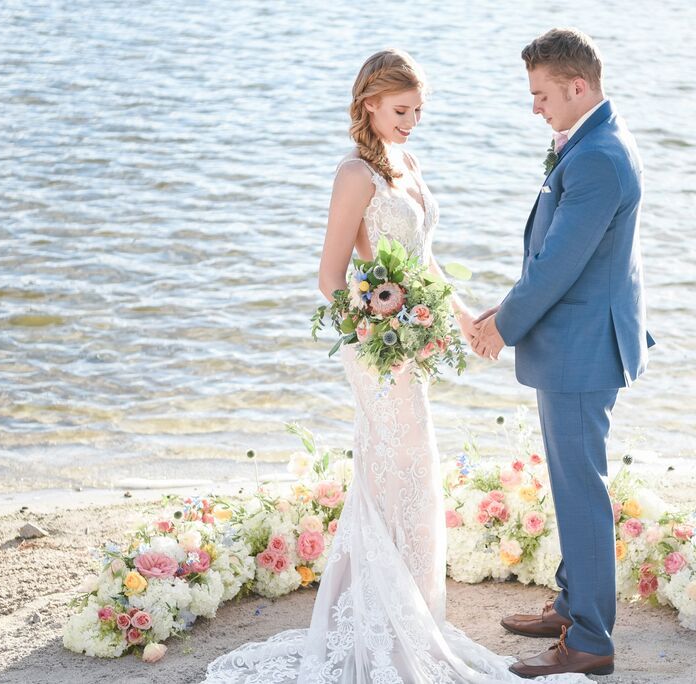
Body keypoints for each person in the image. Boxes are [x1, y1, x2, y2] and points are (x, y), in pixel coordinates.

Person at [201, 48, 591, 683]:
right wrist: (382, 316)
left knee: (415, 470)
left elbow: (425, 261)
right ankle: (381, 619)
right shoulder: (355, 173)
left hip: (410, 342)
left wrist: (467, 324)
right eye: (402, 110)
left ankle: (410, 613)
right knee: (395, 464)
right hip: (376, 349)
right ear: (369, 104)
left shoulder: (407, 162)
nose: (412, 122)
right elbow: (331, 279)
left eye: (419, 111)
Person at [472, 27, 655, 678]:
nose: (535, 107)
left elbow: (556, 268)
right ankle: (572, 604)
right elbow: (565, 258)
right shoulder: (591, 141)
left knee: (581, 494)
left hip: (582, 350)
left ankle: (588, 643)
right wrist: (504, 309)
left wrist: (502, 326)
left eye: (542, 94)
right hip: (577, 338)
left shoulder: (599, 156)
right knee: (575, 486)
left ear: (578, 87)